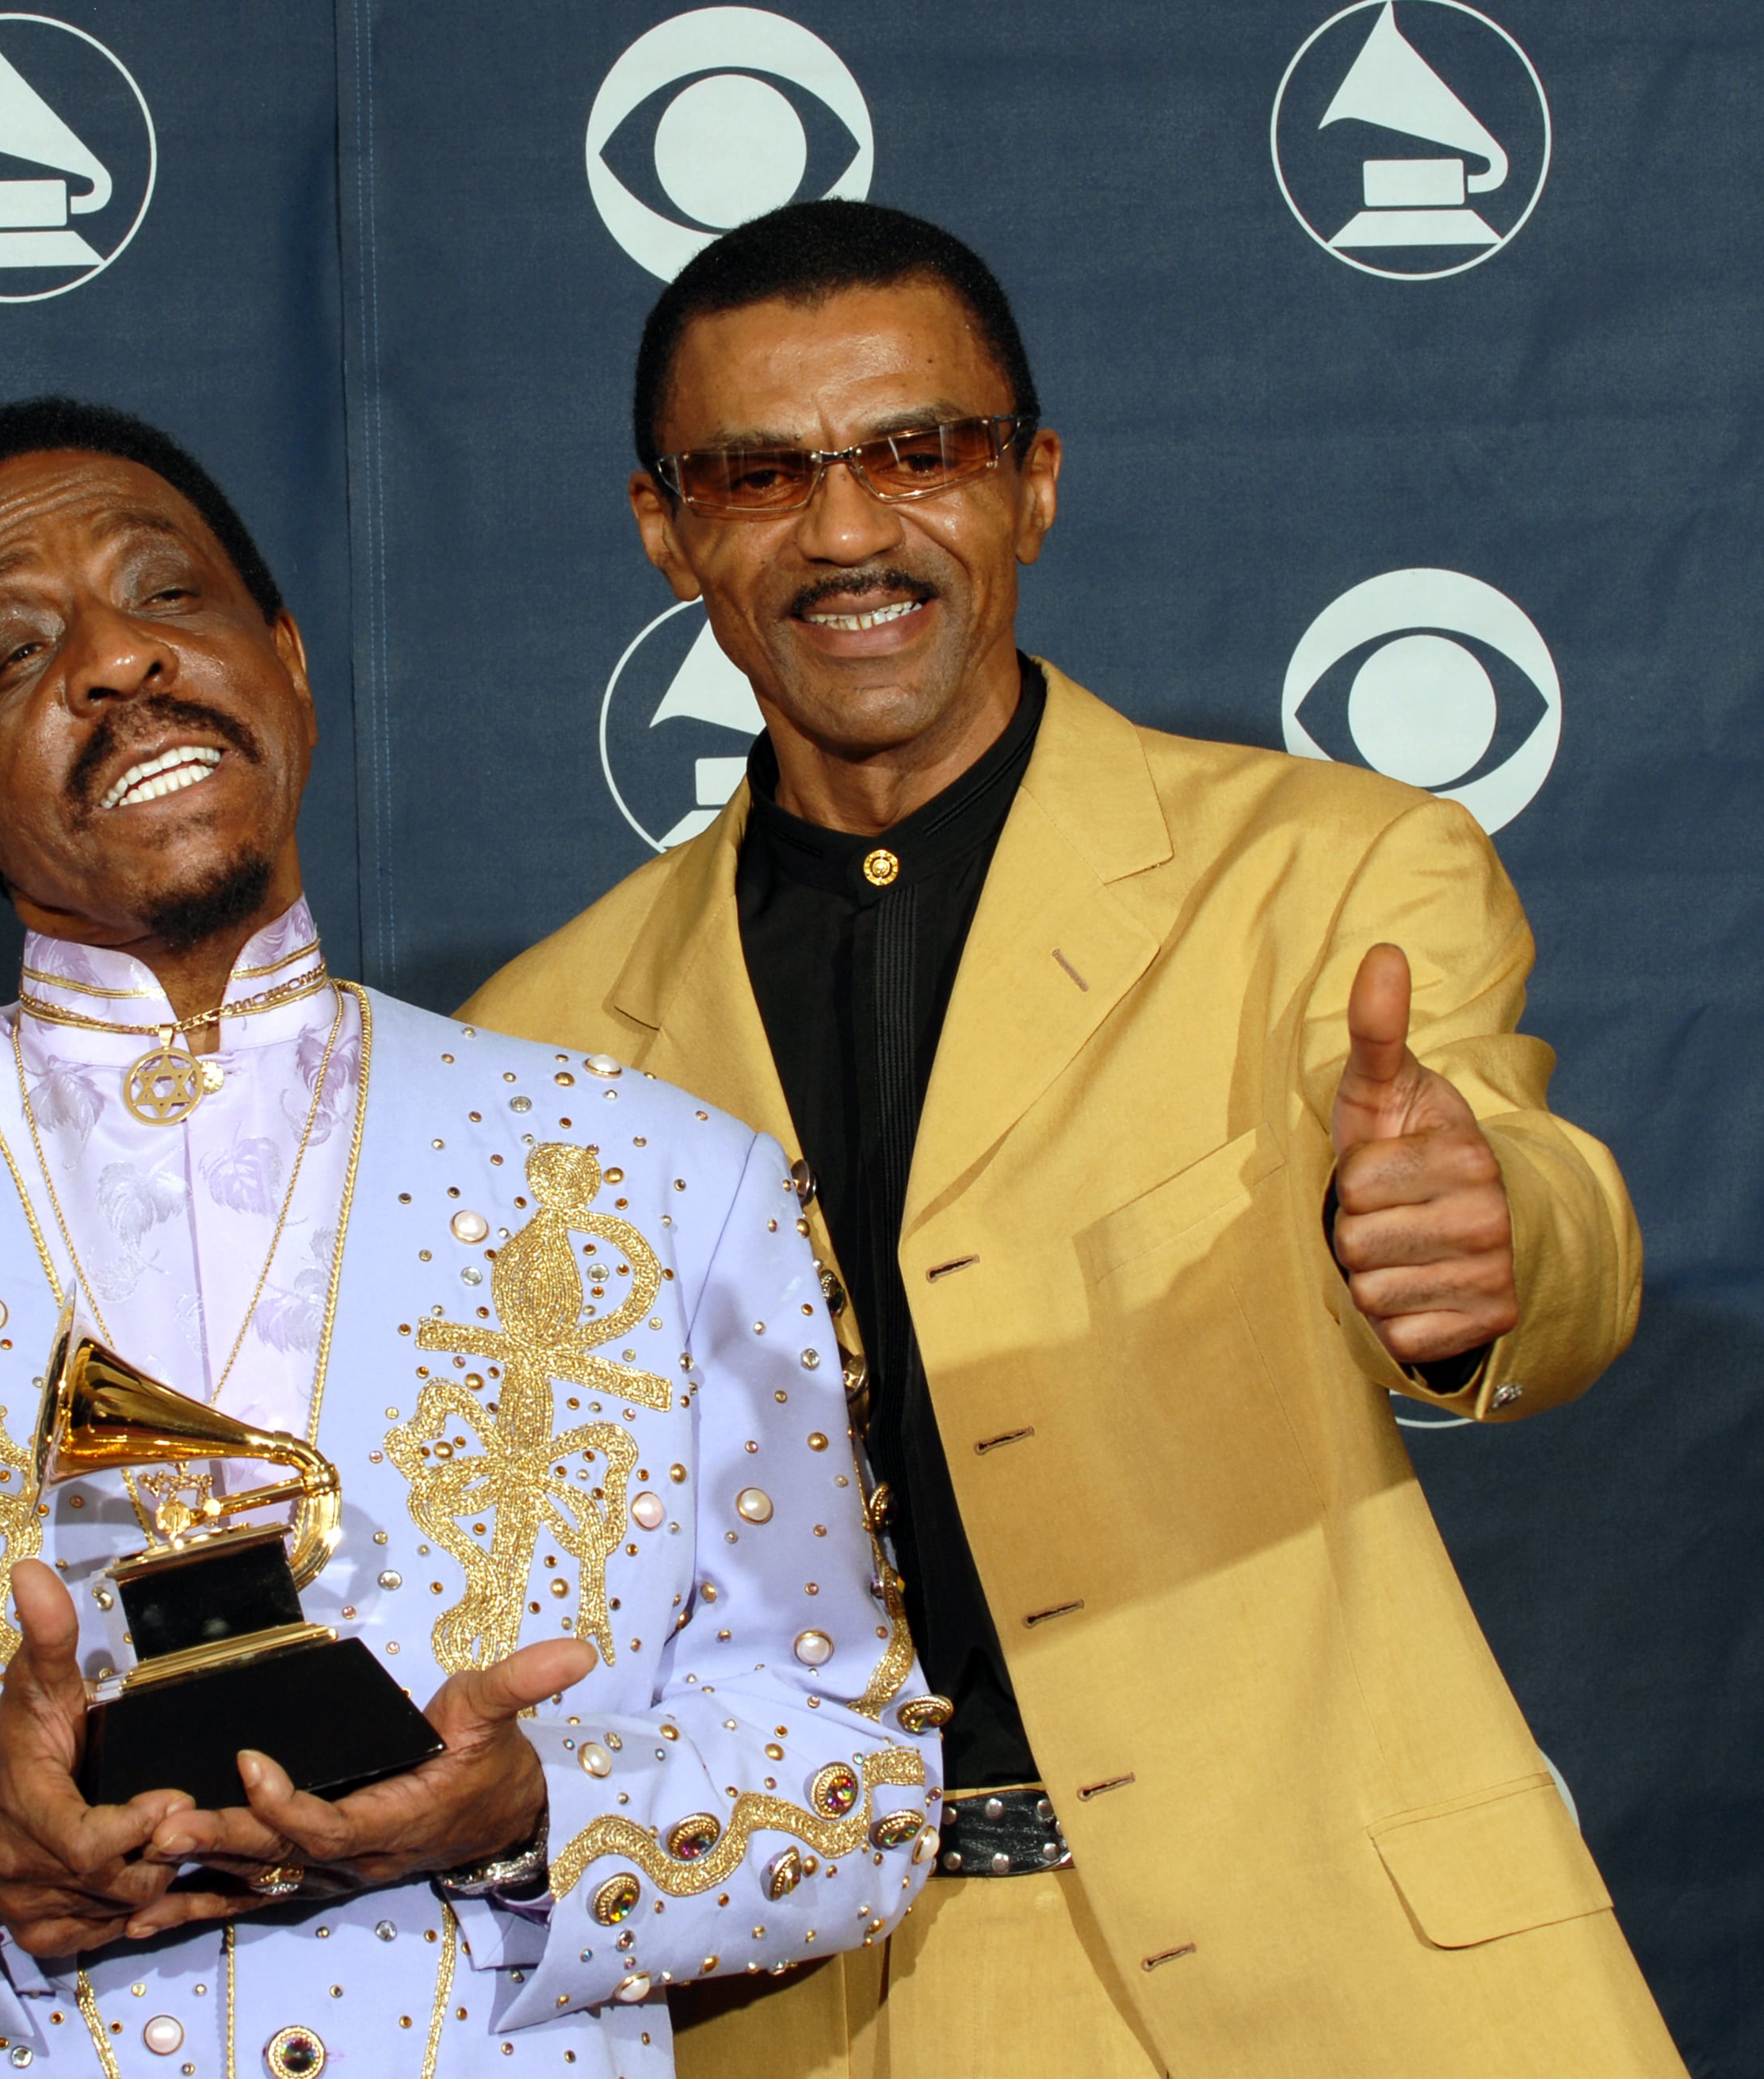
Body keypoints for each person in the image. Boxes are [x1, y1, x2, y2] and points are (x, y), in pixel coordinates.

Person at [0, 396, 942, 2077]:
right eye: (20, 646)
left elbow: (862, 1783)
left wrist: (540, 1807)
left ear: (293, 670)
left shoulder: (669, 1183)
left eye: (166, 594)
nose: (117, 660)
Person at [464, 203, 1686, 2079]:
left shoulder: (1325, 869)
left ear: (1032, 483)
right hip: (791, 2002)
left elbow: (1529, 1182)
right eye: (763, 475)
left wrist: (1491, 1239)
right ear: (668, 528)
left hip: (1337, 1973)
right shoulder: (534, 1041)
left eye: (918, 451)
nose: (850, 530)